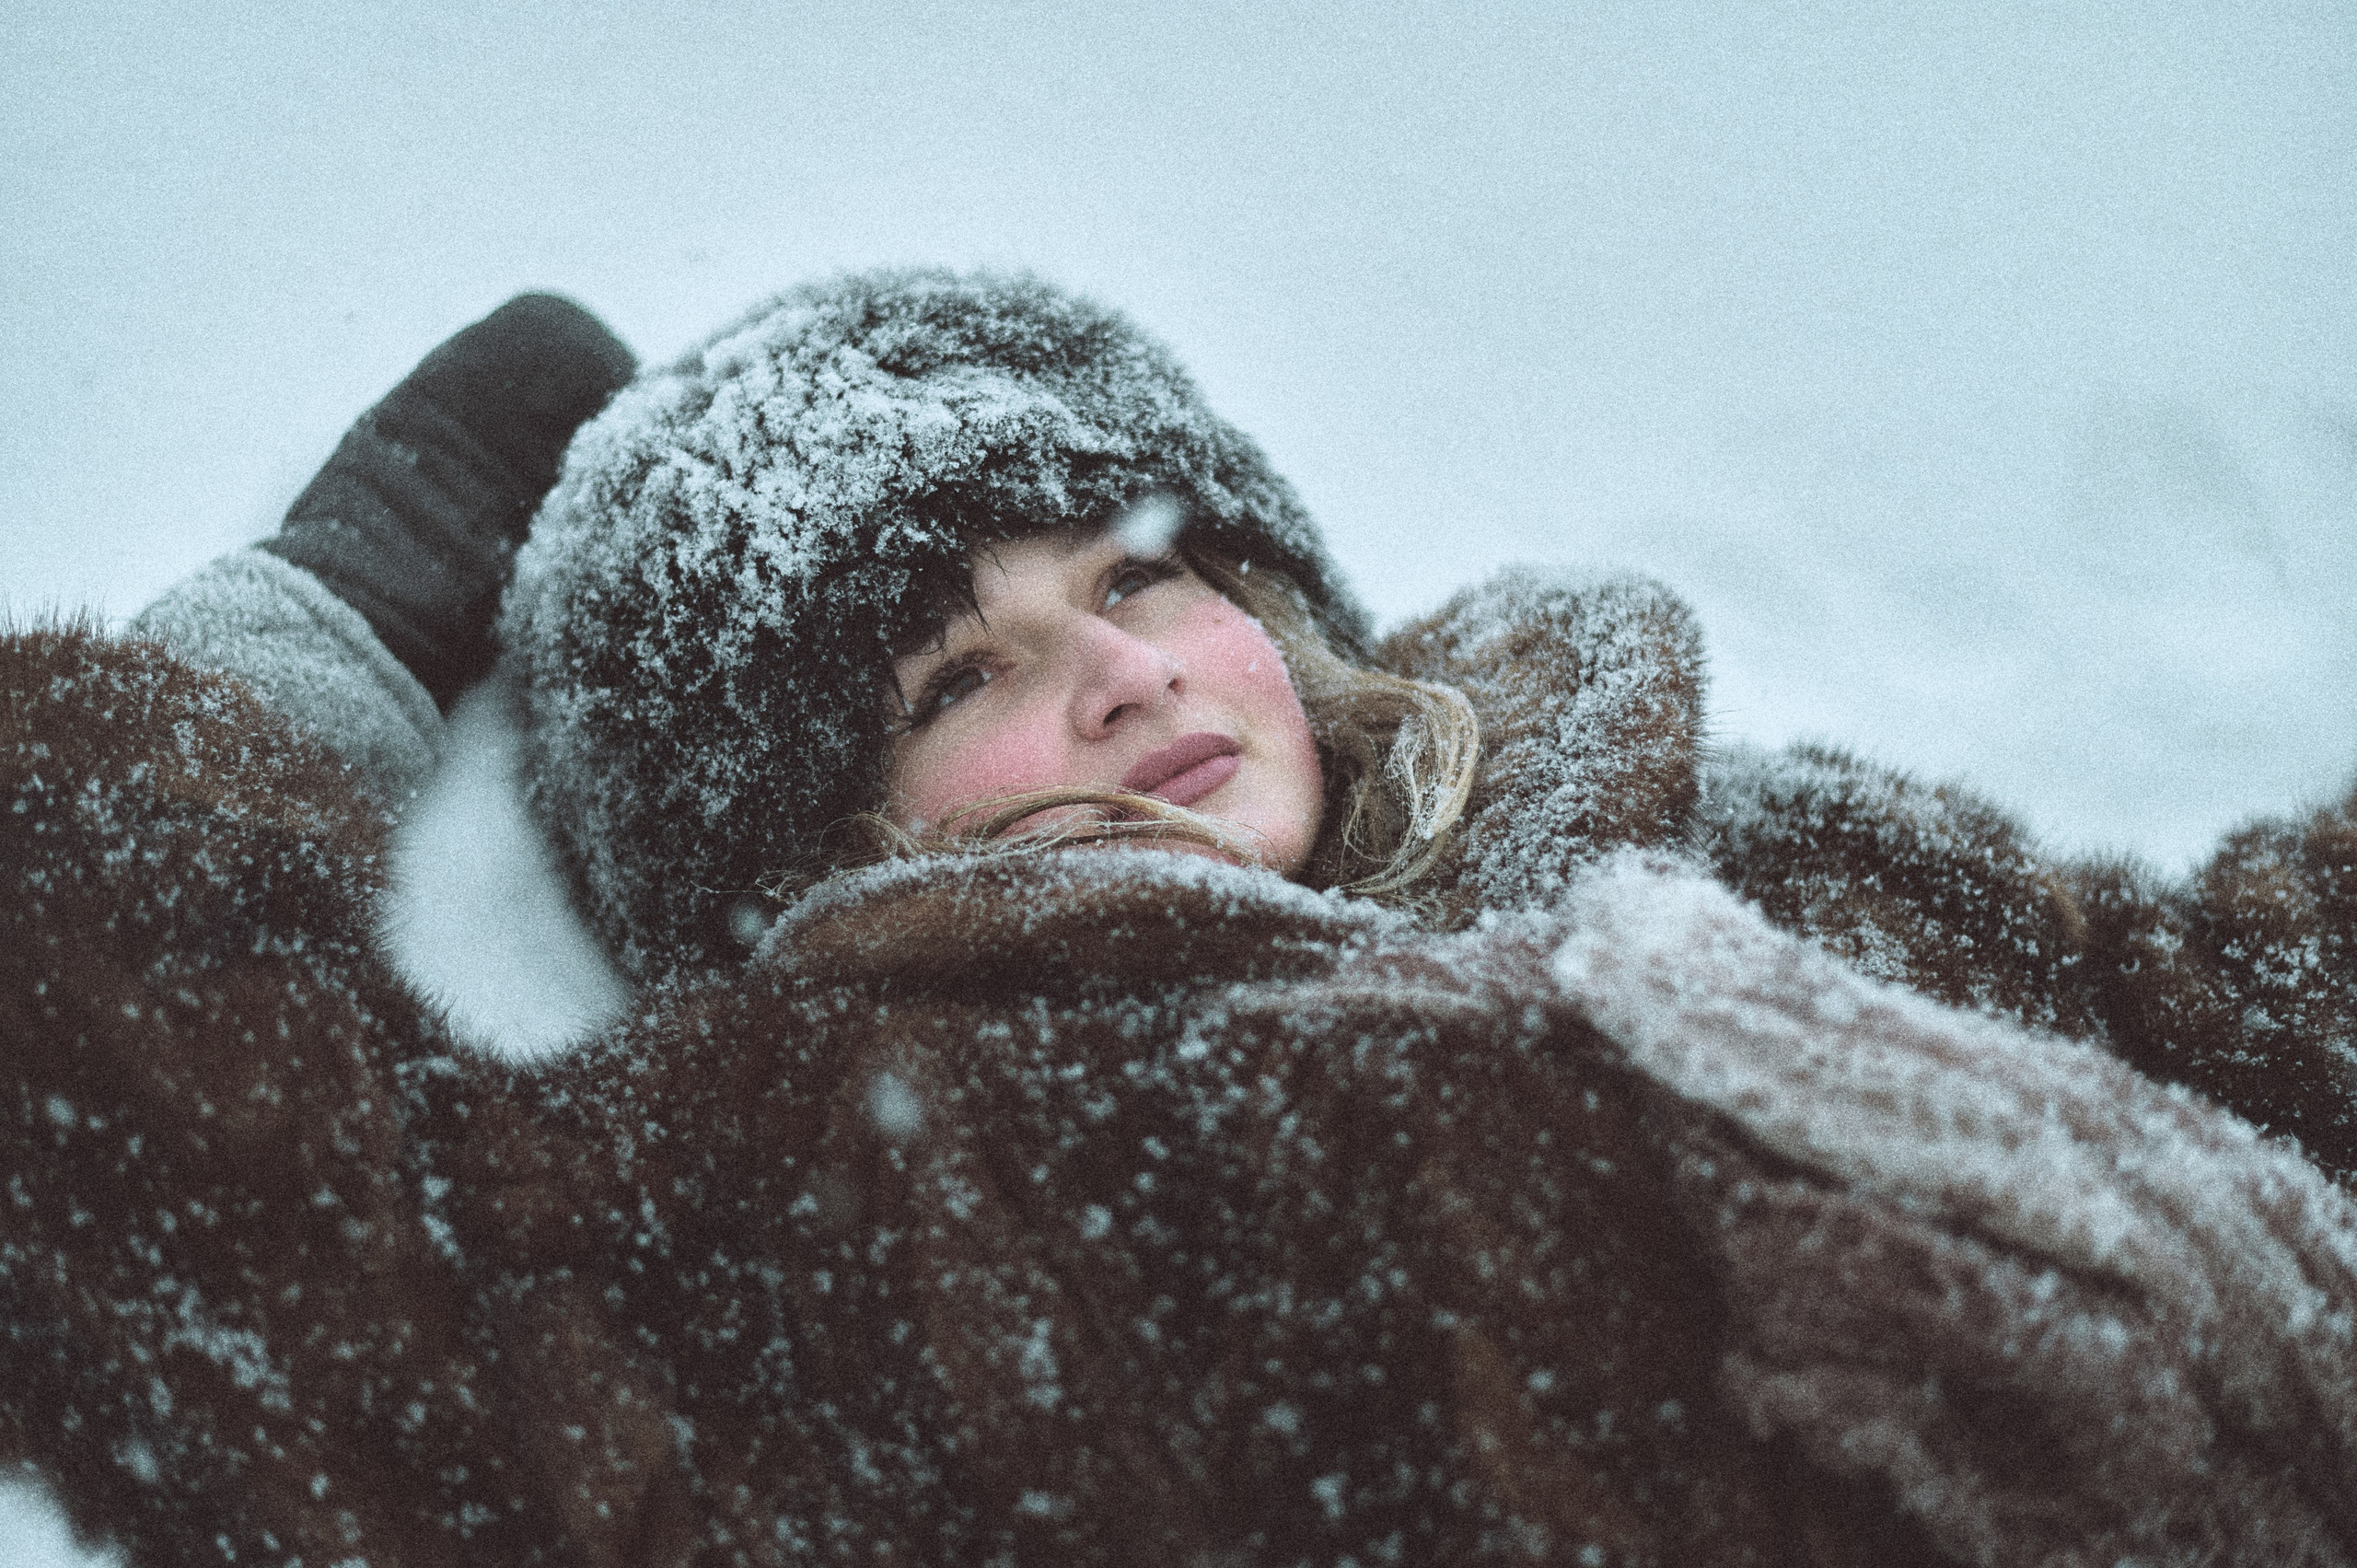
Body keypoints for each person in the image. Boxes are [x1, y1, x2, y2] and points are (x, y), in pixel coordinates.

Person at [6, 272, 2357, 1565]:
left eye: (1136, 574)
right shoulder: (851, 1172)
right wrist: (306, 645)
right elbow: (207, 1205)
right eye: (962, 670)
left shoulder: (1745, 864)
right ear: (814, 848)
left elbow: (2256, 1006)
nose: (1122, 668)